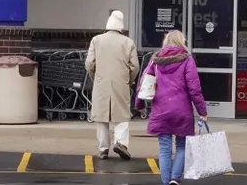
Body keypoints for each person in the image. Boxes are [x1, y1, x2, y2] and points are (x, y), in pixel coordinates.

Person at [137, 30, 207, 185]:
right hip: (182, 112)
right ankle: (175, 179)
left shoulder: (155, 60)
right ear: (182, 42)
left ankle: (165, 181)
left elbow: (144, 84)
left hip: (160, 111)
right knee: (182, 146)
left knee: (164, 149)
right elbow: (194, 89)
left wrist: (139, 104)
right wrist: (202, 111)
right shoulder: (187, 60)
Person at [87, 10, 139, 160]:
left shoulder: (96, 40)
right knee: (121, 116)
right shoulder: (128, 42)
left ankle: (103, 149)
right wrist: (129, 79)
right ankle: (121, 143)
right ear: (121, 26)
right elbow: (134, 66)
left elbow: (89, 63)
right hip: (121, 82)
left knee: (102, 116)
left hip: (101, 82)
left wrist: (95, 76)